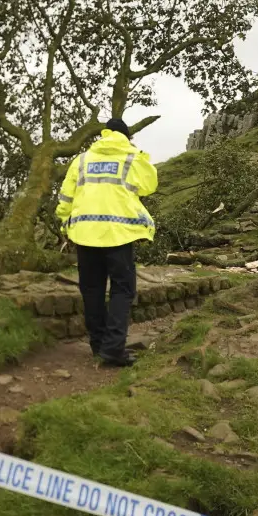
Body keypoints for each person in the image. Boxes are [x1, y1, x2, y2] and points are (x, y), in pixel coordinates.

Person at [55, 118, 158, 367]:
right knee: (122, 291)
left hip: (84, 233)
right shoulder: (131, 157)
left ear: (104, 134)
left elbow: (66, 197)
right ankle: (113, 349)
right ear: (125, 136)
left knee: (92, 290)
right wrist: (138, 153)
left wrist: (64, 224)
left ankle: (98, 345)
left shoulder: (81, 160)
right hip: (118, 234)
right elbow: (149, 185)